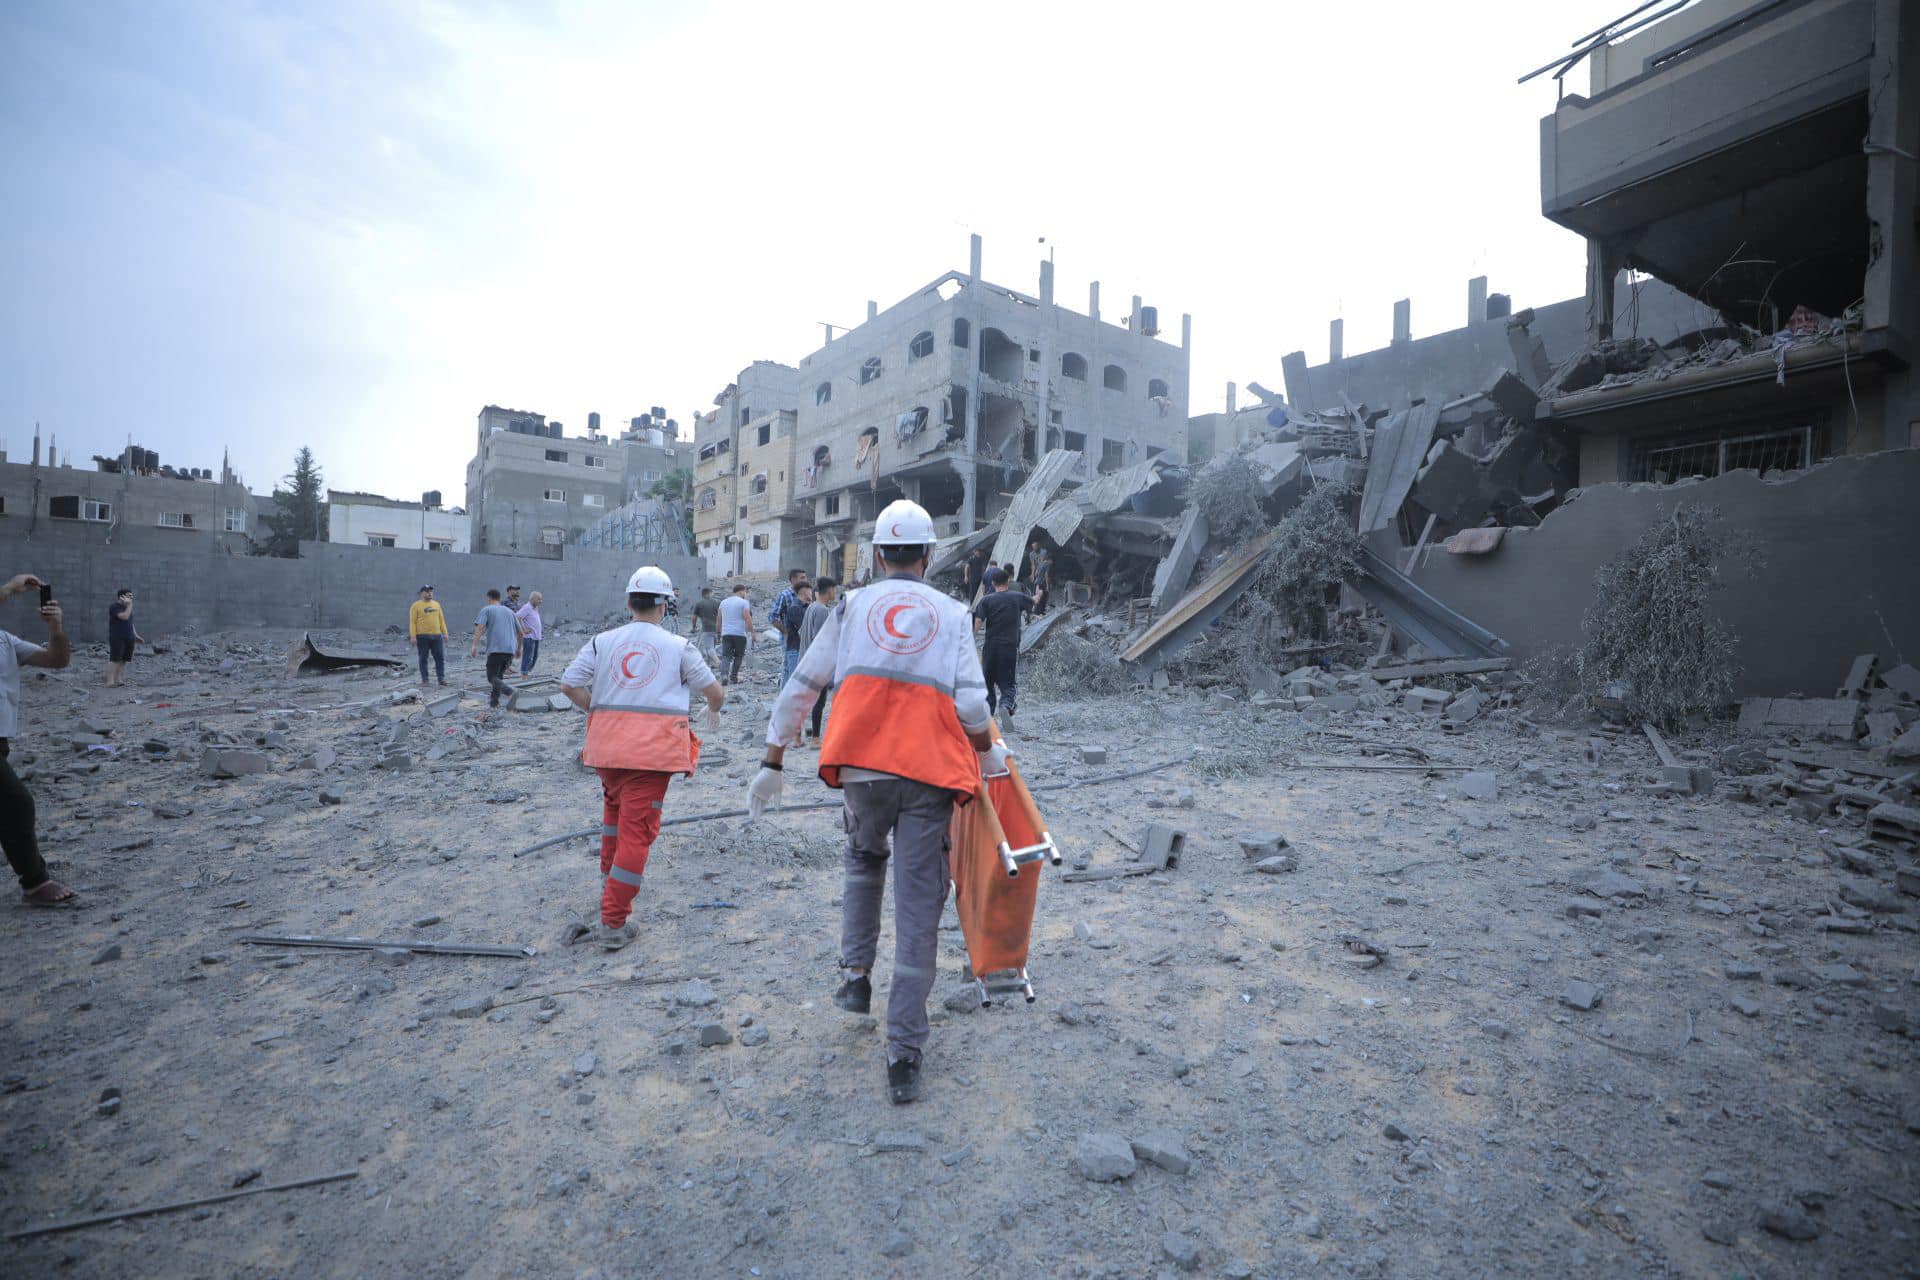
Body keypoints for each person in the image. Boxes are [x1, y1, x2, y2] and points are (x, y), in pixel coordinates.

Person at [747, 499, 1005, 1105]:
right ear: (930, 555)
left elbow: (805, 682)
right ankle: (903, 1054)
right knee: (919, 906)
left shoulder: (851, 605)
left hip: (861, 768)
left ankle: (856, 977)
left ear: (878, 554)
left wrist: (772, 758)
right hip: (928, 773)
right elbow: (971, 704)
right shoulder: (951, 612)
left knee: (863, 861)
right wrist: (990, 754)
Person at [560, 566, 724, 950]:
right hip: (649, 757)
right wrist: (714, 708)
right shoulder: (678, 647)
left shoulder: (602, 642)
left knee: (614, 823)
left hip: (607, 753)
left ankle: (609, 893)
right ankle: (613, 923)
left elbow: (569, 683)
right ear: (665, 606)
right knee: (637, 834)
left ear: (629, 602)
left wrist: (597, 713)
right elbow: (712, 692)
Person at [2, 573, 75, 904]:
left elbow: (57, 660)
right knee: (17, 804)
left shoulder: (5, 641)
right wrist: (11, 588)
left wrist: (55, 630)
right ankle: (34, 881)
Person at [973, 569, 1035, 724]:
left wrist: (970, 638)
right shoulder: (1018, 597)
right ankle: (1006, 706)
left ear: (993, 583)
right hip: (1009, 647)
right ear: (1008, 582)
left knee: (987, 681)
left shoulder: (986, 600)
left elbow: (978, 622)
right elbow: (1032, 602)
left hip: (990, 647)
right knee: (1008, 683)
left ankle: (988, 714)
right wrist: (1038, 596)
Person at [799, 576, 838, 744]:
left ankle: (796, 738)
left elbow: (802, 632)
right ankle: (815, 739)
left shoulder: (811, 607)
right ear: (829, 590)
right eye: (834, 589)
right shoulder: (822, 610)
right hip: (816, 663)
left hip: (805, 659)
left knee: (804, 700)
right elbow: (819, 639)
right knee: (819, 702)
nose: (835, 593)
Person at [469, 588, 522, 708]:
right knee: (498, 677)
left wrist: (474, 645)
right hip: (510, 650)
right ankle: (494, 703)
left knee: (491, 677)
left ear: (489, 599)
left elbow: (481, 627)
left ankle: (510, 691)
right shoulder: (510, 612)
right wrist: (519, 649)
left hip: (496, 649)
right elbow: (521, 633)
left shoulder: (487, 609)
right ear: (499, 598)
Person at [769, 568, 809, 687]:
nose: (805, 580)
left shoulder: (806, 595)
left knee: (794, 667)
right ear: (793, 579)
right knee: (789, 667)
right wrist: (786, 631)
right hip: (789, 639)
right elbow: (772, 617)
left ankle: (785, 694)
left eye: (805, 577)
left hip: (803, 637)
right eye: (802, 577)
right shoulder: (785, 595)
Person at [409, 586, 449, 687]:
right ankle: (425, 680)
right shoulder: (416, 606)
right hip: (422, 636)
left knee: (439, 657)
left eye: (431, 591)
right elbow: (412, 622)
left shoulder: (436, 604)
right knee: (423, 658)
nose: (430, 593)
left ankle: (441, 679)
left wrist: (445, 633)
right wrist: (413, 636)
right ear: (421, 593)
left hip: (436, 636)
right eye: (427, 592)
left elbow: (441, 620)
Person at [105, 588, 144, 688]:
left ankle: (118, 679)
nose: (131, 598)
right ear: (122, 597)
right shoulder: (115, 607)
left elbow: (130, 623)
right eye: (129, 596)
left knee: (123, 660)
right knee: (114, 659)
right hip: (117, 636)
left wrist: (136, 635)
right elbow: (124, 617)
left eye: (132, 596)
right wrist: (130, 605)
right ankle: (110, 681)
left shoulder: (128, 607)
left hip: (129, 637)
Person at [716, 584, 753, 685]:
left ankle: (724, 675)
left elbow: (719, 620)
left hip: (726, 633)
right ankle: (733, 677)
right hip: (740, 634)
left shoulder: (723, 602)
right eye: (745, 592)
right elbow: (747, 617)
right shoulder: (744, 602)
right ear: (741, 592)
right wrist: (752, 632)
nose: (745, 594)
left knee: (726, 655)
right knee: (738, 655)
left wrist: (718, 633)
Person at [516, 591, 544, 676]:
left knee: (534, 657)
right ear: (532, 599)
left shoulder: (535, 608)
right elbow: (517, 617)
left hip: (536, 637)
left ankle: (526, 673)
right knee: (528, 657)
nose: (541, 601)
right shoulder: (527, 607)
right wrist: (523, 629)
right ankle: (524, 675)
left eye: (541, 599)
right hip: (529, 638)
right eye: (539, 599)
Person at [690, 587, 721, 664]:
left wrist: (694, 626)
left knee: (709, 648)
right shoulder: (718, 602)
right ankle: (710, 664)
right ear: (710, 593)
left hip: (707, 629)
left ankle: (718, 662)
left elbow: (694, 618)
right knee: (712, 647)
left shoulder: (699, 604)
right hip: (718, 628)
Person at [1027, 542, 1053, 615]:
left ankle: (1038, 610)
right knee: (1042, 595)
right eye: (1033, 547)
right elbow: (1046, 575)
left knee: (1040, 594)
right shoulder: (1045, 564)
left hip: (1039, 579)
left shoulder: (1044, 553)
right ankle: (1037, 611)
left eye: (1036, 546)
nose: (1035, 548)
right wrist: (1047, 585)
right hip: (1041, 580)